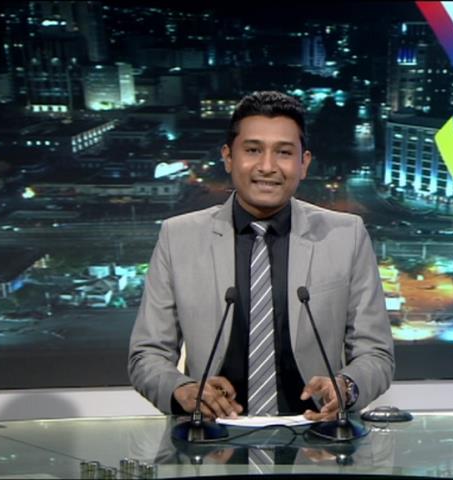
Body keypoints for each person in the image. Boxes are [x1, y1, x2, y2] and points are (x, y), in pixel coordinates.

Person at [129, 91, 394, 422]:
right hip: (212, 437)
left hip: (318, 437)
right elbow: (147, 355)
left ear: (304, 163)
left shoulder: (346, 235)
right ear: (228, 157)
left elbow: (376, 353)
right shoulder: (178, 237)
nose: (267, 167)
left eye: (284, 152)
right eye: (253, 150)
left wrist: (348, 387)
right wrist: (182, 389)